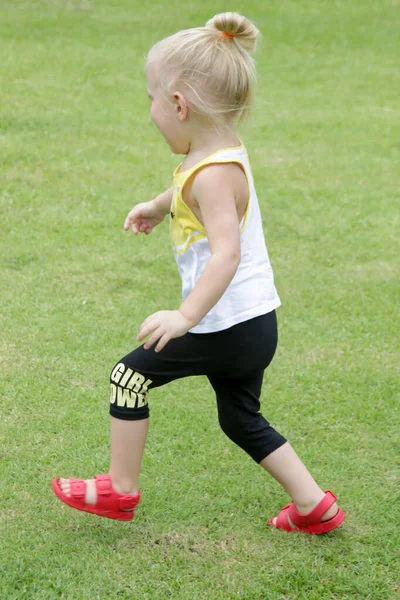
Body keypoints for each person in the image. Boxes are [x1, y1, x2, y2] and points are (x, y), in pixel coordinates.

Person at [52, 12, 345, 534]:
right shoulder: (217, 150)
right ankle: (313, 506)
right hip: (254, 323)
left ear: (179, 105)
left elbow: (225, 254)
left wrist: (185, 315)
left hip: (226, 326)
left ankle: (119, 490)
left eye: (151, 100)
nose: (150, 112)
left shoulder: (213, 174)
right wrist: (161, 204)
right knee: (240, 419)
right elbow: (192, 184)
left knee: (129, 376)